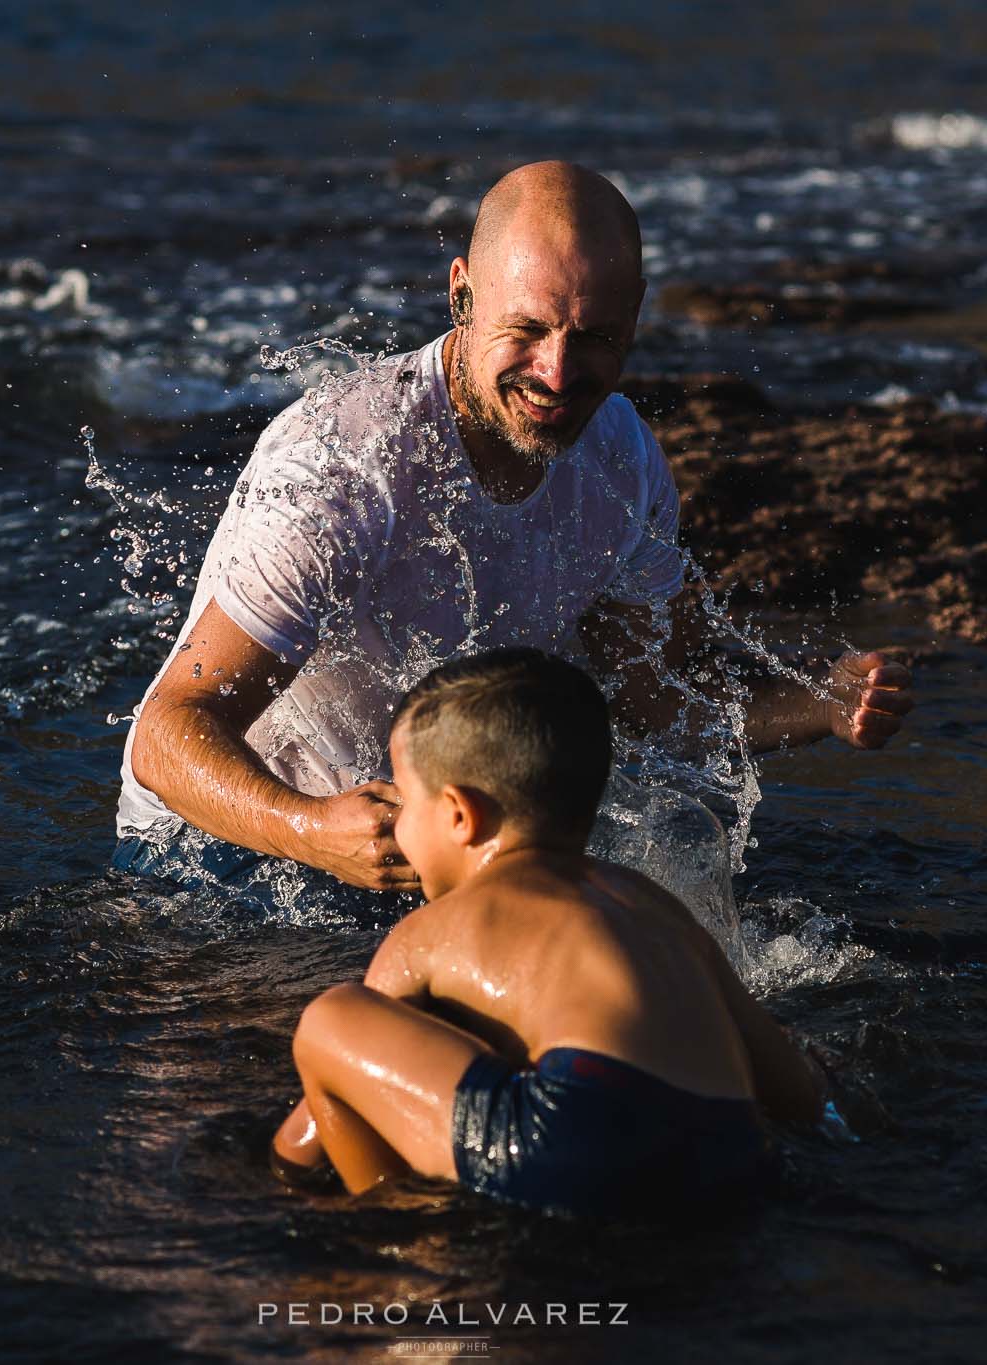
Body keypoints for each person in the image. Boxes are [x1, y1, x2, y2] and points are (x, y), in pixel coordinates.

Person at [114, 160, 913, 901]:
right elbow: (167, 733)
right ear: (461, 295)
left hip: (454, 847)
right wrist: (311, 831)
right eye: (527, 329)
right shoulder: (347, 464)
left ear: (634, 316)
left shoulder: (622, 461)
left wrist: (820, 705)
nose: (558, 375)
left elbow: (654, 704)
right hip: (227, 861)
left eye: (593, 336)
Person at [269, 649, 847, 1217]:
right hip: (730, 1160)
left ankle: (398, 1239)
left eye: (402, 796)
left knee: (331, 1022)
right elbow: (797, 1091)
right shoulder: (651, 905)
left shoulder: (430, 932)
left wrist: (284, 1167)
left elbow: (323, 1115)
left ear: (458, 814)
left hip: (572, 1150)